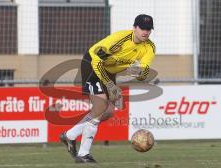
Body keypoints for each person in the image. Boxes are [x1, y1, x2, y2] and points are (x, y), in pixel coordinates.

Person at [60, 14, 156, 163]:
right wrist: (110, 85)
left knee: (109, 111)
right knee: (100, 106)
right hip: (92, 63)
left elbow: (140, 71)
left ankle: (70, 136)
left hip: (110, 71)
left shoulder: (149, 47)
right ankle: (83, 153)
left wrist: (137, 75)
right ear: (134, 28)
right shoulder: (120, 39)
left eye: (148, 29)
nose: (145, 32)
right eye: (142, 28)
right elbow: (97, 60)